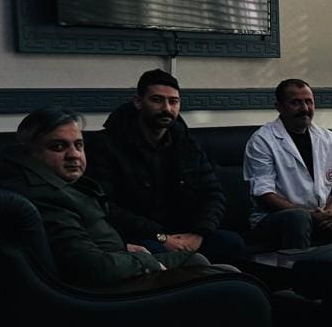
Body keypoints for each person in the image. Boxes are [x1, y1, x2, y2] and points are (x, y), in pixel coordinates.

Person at [0, 107, 208, 286]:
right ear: (30, 153)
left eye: (78, 145)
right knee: (212, 274)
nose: (74, 155)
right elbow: (90, 267)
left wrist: (124, 247)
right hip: (104, 296)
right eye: (58, 147)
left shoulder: (58, 183)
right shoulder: (45, 195)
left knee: (198, 260)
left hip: (121, 257)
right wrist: (147, 260)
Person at [93, 69, 245, 262]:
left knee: (232, 242)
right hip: (140, 236)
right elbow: (105, 206)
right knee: (158, 253)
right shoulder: (106, 144)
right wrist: (161, 236)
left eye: (173, 102)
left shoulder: (187, 143)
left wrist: (199, 232)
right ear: (138, 102)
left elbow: (214, 193)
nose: (166, 108)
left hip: (185, 233)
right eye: (157, 100)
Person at [243, 79, 332, 249]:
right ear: (279, 107)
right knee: (298, 218)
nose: (305, 108)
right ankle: (301, 266)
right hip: (278, 219)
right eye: (296, 103)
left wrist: (330, 212)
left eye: (309, 102)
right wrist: (310, 215)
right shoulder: (262, 140)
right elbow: (264, 194)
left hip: (323, 214)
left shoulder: (326, 137)